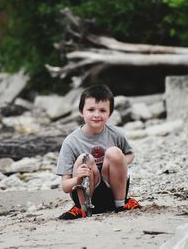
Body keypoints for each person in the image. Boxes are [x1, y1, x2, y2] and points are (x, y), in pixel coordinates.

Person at [56, 84, 141, 220]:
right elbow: (65, 186)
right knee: (85, 158)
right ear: (81, 111)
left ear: (110, 113)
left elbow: (130, 154)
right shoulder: (71, 142)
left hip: (113, 192)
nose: (96, 115)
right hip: (86, 194)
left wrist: (119, 162)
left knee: (114, 152)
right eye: (91, 110)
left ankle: (121, 205)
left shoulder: (116, 134)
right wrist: (78, 178)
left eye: (102, 110)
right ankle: (83, 209)